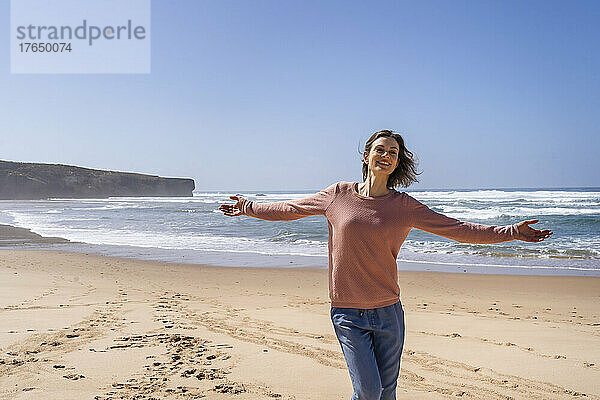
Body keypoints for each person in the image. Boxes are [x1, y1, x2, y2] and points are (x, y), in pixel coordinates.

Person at [218, 129, 552, 400]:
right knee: (368, 392)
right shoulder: (338, 195)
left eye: (393, 152)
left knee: (387, 393)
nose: (386, 155)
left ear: (396, 163)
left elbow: (459, 229)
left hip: (389, 312)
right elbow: (290, 208)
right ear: (366, 156)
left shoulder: (405, 206)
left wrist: (511, 232)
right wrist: (248, 207)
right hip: (348, 313)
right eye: (381, 149)